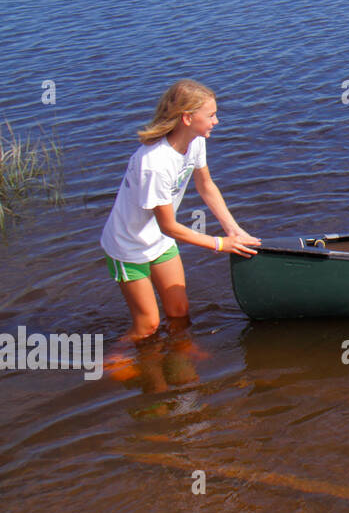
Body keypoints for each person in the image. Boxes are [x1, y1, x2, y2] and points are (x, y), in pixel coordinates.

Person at [100, 80, 260, 341]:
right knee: (147, 325)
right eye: (210, 115)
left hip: (159, 240)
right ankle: (113, 366)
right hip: (128, 245)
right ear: (187, 117)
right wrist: (221, 244)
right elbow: (169, 226)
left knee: (179, 311)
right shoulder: (154, 163)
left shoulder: (195, 141)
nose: (216, 121)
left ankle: (181, 353)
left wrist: (234, 230)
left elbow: (206, 185)